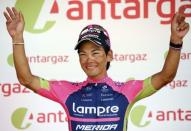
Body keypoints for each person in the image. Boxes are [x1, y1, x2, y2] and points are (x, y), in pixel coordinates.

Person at [3, 7, 189, 131]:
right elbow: (26, 79)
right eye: (82, 53)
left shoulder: (127, 91)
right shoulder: (67, 91)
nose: (88, 59)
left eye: (95, 52)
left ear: (109, 55)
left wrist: (176, 41)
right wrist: (17, 37)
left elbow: (166, 76)